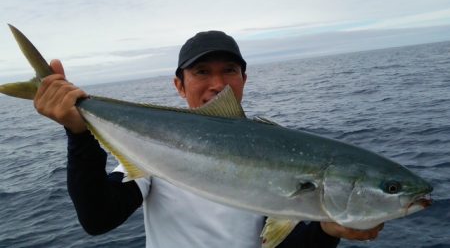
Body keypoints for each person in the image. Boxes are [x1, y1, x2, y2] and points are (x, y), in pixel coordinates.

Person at [34, 30, 384, 247]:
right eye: (202, 72)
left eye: (229, 71)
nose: (218, 84)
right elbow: (97, 219)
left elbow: (280, 244)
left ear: (244, 79)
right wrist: (79, 134)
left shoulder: (276, 148)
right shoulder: (154, 149)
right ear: (178, 85)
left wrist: (327, 232)